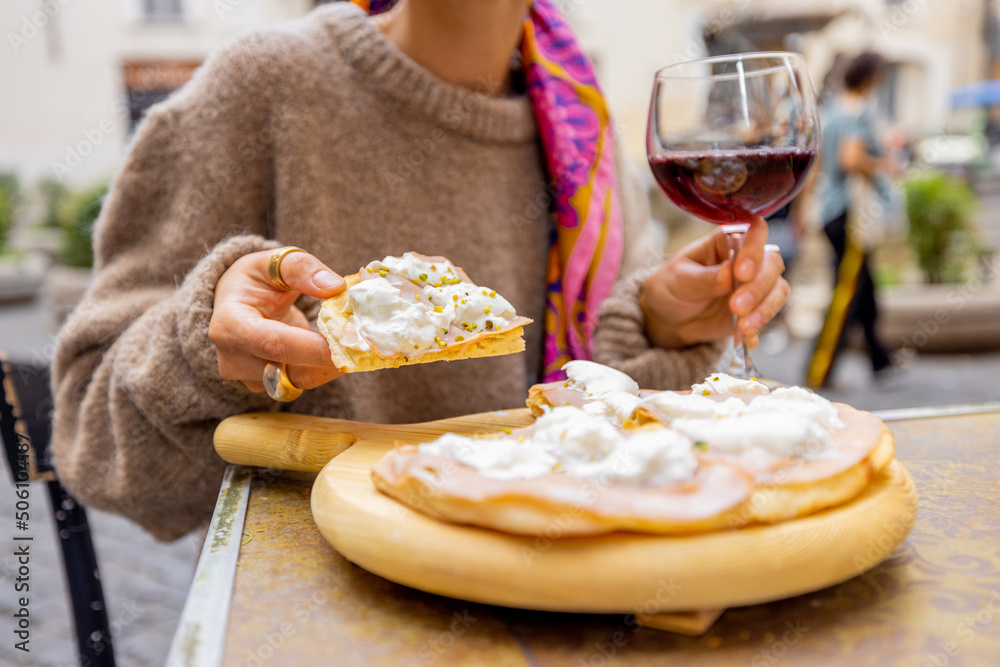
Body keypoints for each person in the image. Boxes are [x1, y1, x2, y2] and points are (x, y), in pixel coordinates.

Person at [51, 0, 788, 541]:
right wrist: (211, 351)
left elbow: (578, 423)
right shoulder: (261, 88)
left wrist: (656, 323)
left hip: (564, 597)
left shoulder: (584, 128)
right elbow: (93, 441)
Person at [806, 51, 898, 389]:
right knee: (847, 290)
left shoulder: (831, 111)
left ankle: (879, 358)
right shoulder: (860, 111)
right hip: (851, 213)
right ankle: (819, 368)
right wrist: (883, 165)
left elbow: (821, 166)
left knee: (864, 287)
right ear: (871, 78)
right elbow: (850, 158)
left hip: (834, 210)